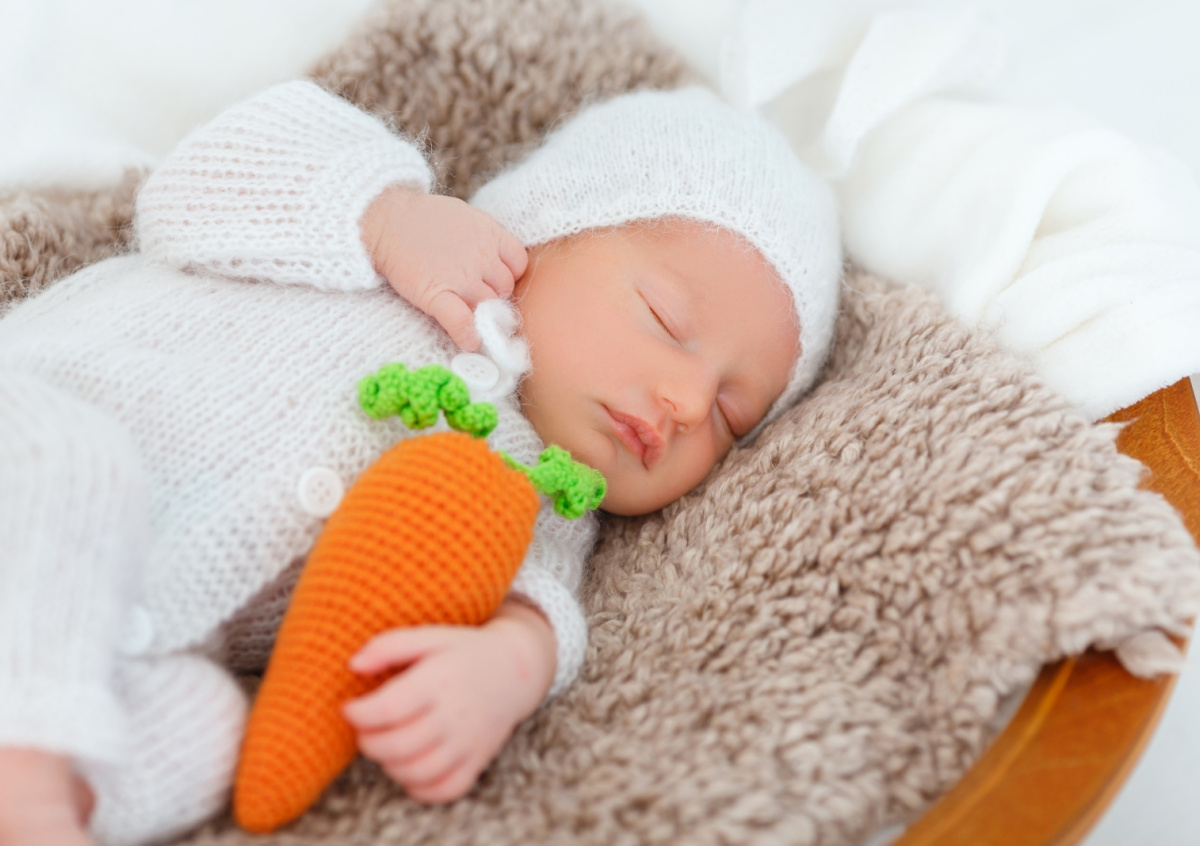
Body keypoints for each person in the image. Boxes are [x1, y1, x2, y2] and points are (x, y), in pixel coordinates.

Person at [0, 80, 841, 846]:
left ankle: (41, 775)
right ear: (546, 231)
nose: (687, 401)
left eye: (731, 415)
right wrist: (387, 216)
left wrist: (506, 669)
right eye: (664, 318)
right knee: (80, 470)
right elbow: (189, 193)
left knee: (203, 728)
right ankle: (27, 792)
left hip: (95, 628)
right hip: (32, 435)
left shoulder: (538, 492)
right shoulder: (398, 255)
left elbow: (538, 601)